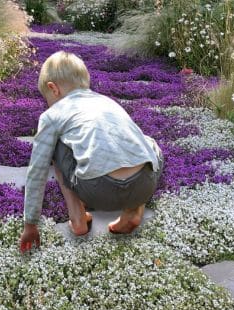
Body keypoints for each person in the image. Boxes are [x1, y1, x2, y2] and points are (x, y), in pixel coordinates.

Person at [19, 51, 163, 253]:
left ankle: (78, 219)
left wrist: (30, 224)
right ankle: (132, 210)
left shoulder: (52, 115)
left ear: (54, 89)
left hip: (98, 190)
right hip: (143, 185)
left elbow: (37, 171)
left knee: (55, 147)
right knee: (149, 143)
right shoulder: (108, 102)